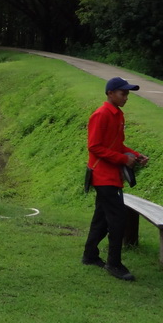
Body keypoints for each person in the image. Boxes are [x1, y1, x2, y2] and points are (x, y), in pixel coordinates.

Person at [82, 76, 149, 281]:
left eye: (127, 94)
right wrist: (123, 159)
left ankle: (90, 256)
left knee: (102, 218)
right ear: (110, 93)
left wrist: (135, 155)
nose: (126, 97)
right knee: (118, 219)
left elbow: (117, 145)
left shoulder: (118, 114)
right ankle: (114, 263)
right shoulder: (101, 114)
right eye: (123, 93)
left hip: (112, 176)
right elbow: (94, 146)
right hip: (103, 176)